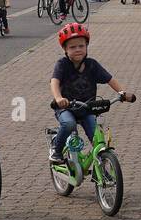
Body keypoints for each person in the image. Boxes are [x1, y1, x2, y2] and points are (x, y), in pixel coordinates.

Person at [49, 23, 135, 161]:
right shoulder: (62, 65)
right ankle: (56, 151)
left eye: (81, 46)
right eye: (72, 47)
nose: (78, 49)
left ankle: (102, 172)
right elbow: (54, 82)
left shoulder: (92, 65)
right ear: (65, 49)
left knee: (97, 141)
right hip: (66, 108)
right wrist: (59, 98)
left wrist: (123, 93)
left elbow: (110, 79)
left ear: (87, 46)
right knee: (69, 124)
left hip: (87, 108)